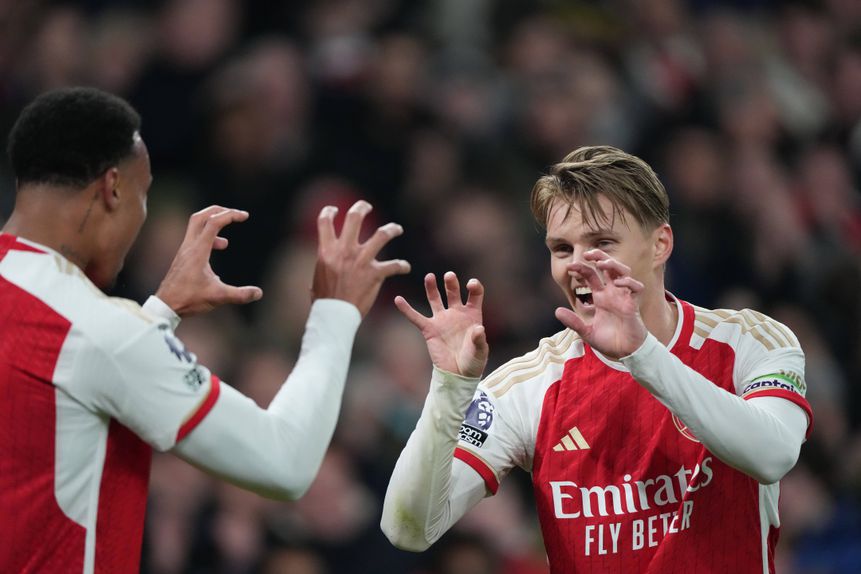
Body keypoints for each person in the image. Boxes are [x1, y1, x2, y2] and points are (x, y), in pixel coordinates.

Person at [0, 87, 410, 573]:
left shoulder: (74, 325)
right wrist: (334, 314)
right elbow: (284, 463)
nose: (142, 218)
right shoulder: (95, 330)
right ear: (112, 189)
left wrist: (158, 315)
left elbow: (62, 392)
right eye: (143, 195)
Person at [381, 145, 812, 572]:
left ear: (660, 244)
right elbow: (409, 529)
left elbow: (772, 455)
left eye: (602, 243)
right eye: (562, 249)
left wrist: (642, 355)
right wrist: (450, 389)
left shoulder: (747, 341)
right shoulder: (529, 386)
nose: (578, 264)